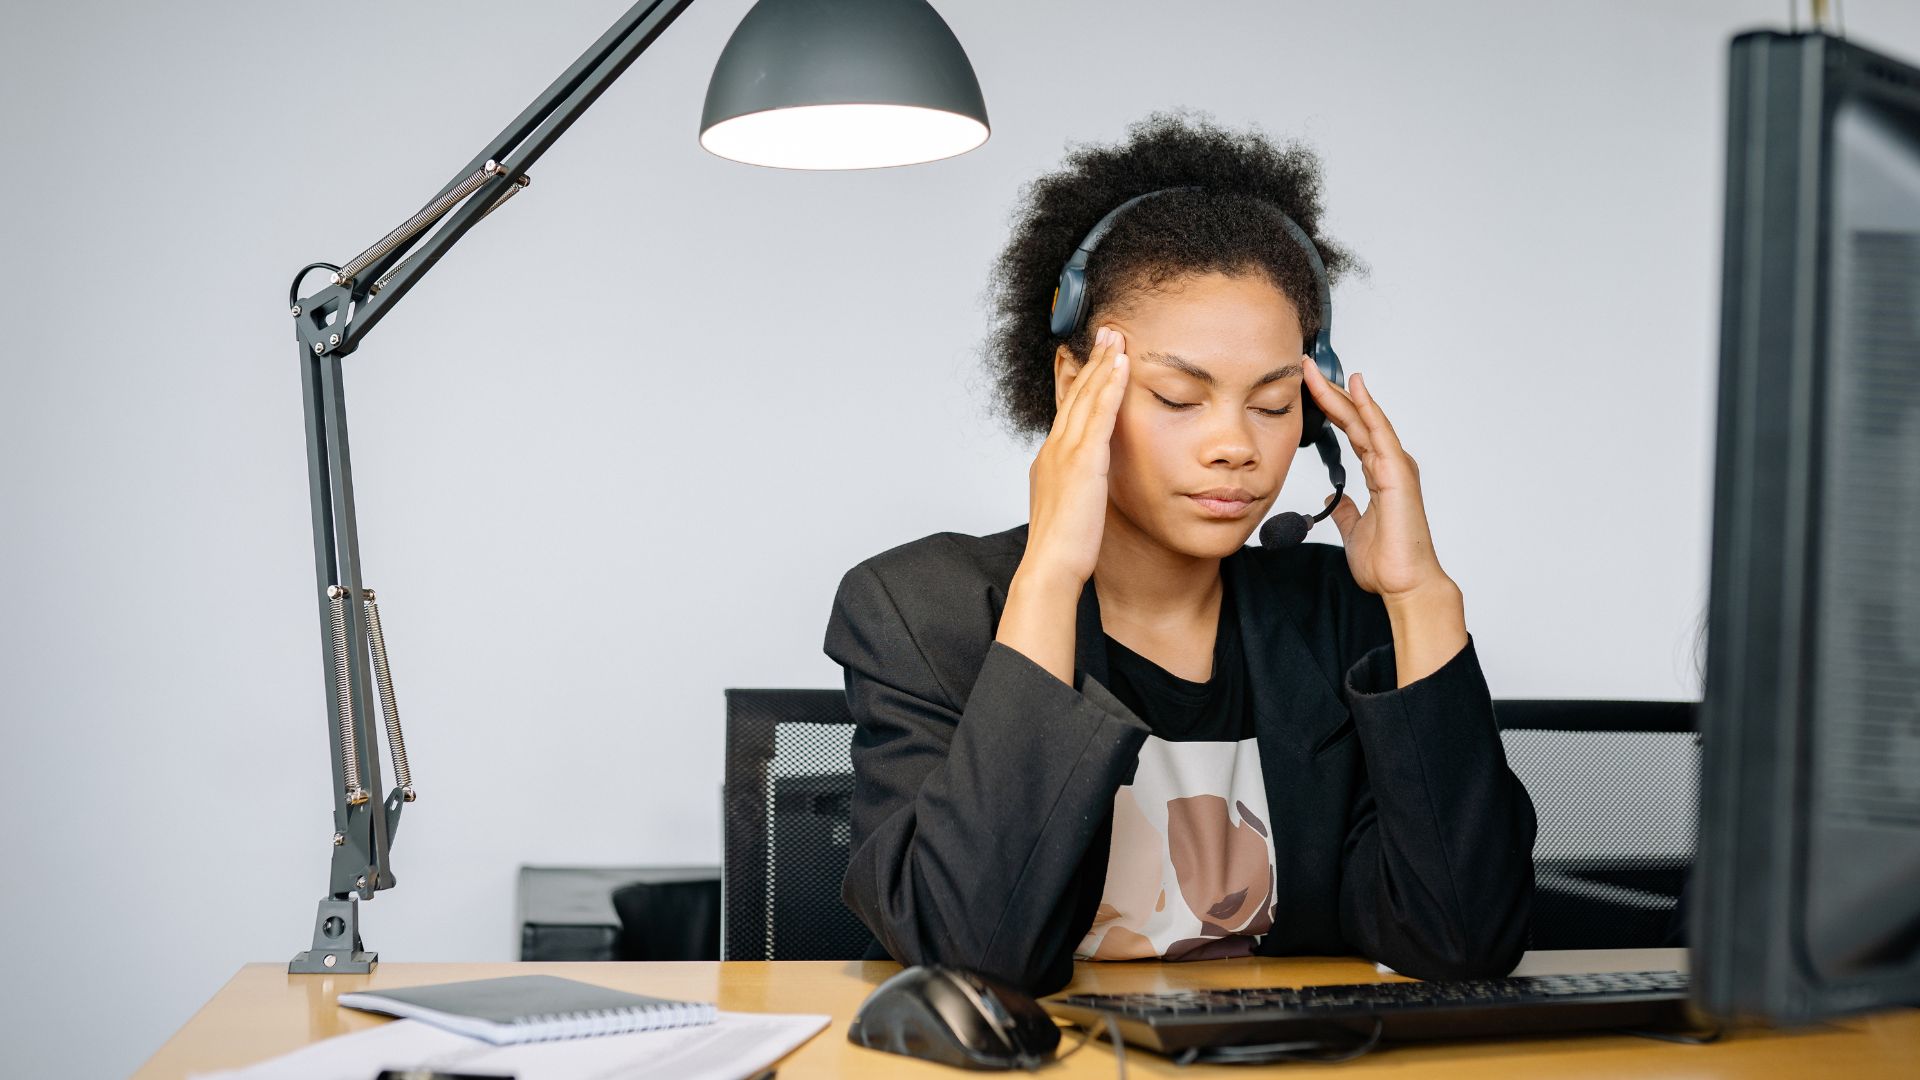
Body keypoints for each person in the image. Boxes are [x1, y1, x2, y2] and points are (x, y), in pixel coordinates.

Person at [822, 111, 1536, 995]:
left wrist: (1421, 595)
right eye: (1178, 397)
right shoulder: (921, 610)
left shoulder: (1336, 615)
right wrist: (1050, 573)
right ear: (1075, 387)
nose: (1236, 445)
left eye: (1274, 405)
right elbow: (974, 957)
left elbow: (1463, 940)